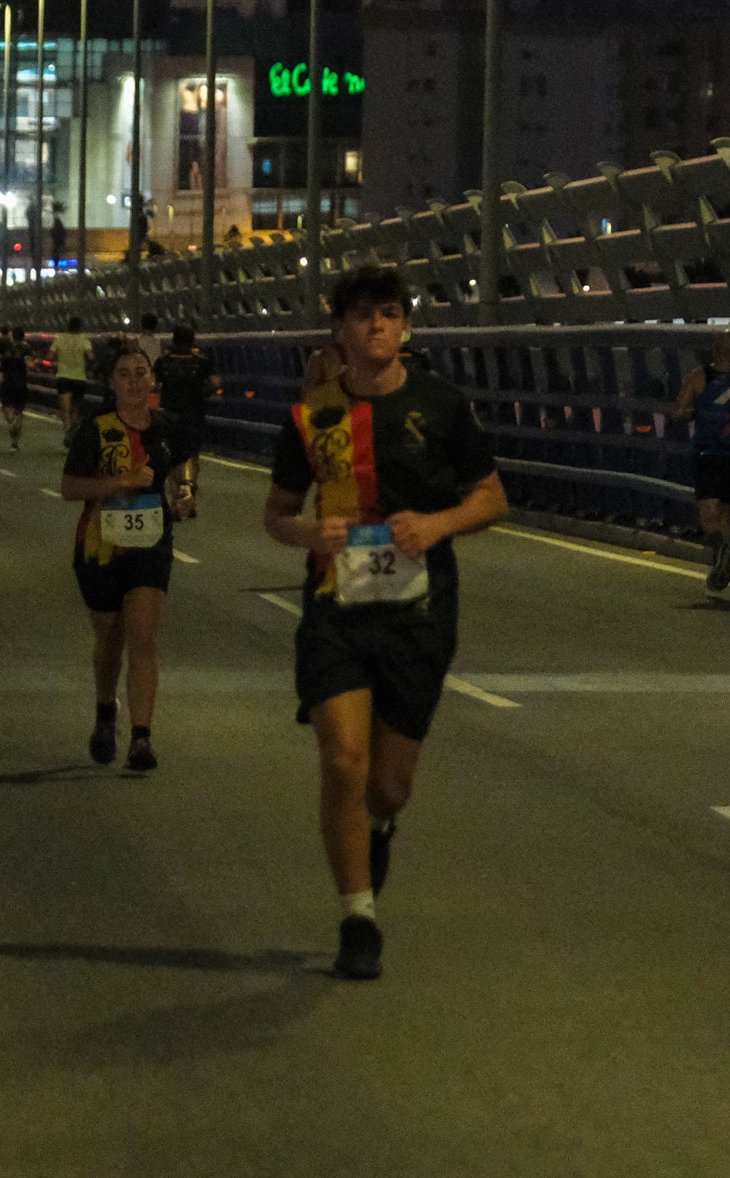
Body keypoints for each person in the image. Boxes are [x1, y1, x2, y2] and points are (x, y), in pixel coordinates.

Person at [263, 267, 507, 982]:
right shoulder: (312, 417)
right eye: (362, 314)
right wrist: (310, 537)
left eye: (389, 313)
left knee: (388, 786)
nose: (376, 325)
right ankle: (357, 915)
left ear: (405, 327)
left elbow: (491, 498)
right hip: (336, 609)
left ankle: (381, 828)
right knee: (343, 759)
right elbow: (276, 513)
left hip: (418, 616)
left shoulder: (442, 406)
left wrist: (435, 524)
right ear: (338, 329)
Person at [61, 345, 197, 772]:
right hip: (100, 545)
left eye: (142, 372)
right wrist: (121, 482)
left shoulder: (168, 426)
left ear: (153, 380)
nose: (135, 381)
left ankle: (141, 738)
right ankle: (106, 712)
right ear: (111, 383)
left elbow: (184, 462)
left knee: (142, 636)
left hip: (151, 542)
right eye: (124, 374)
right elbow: (69, 487)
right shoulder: (95, 430)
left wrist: (186, 489)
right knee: (111, 639)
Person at [674, 332, 730, 595]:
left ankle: (719, 548)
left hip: (705, 452)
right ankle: (725, 552)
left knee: (708, 511)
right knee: (725, 508)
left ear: (714, 350)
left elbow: (677, 411)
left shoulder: (697, 377)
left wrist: (694, 411)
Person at [152, 324, 219, 512]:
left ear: (173, 340)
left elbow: (154, 385)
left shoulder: (162, 362)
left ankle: (176, 500)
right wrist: (200, 393)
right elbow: (215, 383)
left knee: (173, 457)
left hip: (169, 414)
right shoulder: (202, 362)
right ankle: (190, 493)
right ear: (192, 341)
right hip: (195, 413)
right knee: (193, 453)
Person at [51, 315, 95, 437]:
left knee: (66, 408)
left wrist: (59, 358)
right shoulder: (84, 340)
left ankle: (67, 431)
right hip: (79, 377)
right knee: (76, 408)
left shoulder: (60, 339)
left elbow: (50, 355)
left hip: (63, 376)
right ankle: (73, 432)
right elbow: (91, 356)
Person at [0, 328, 30, 452]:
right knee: (19, 411)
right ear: (23, 336)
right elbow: (30, 364)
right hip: (21, 382)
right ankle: (15, 444)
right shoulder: (26, 348)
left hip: (7, 381)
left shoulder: (3, 347)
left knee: (6, 407)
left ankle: (10, 421)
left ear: (12, 335)